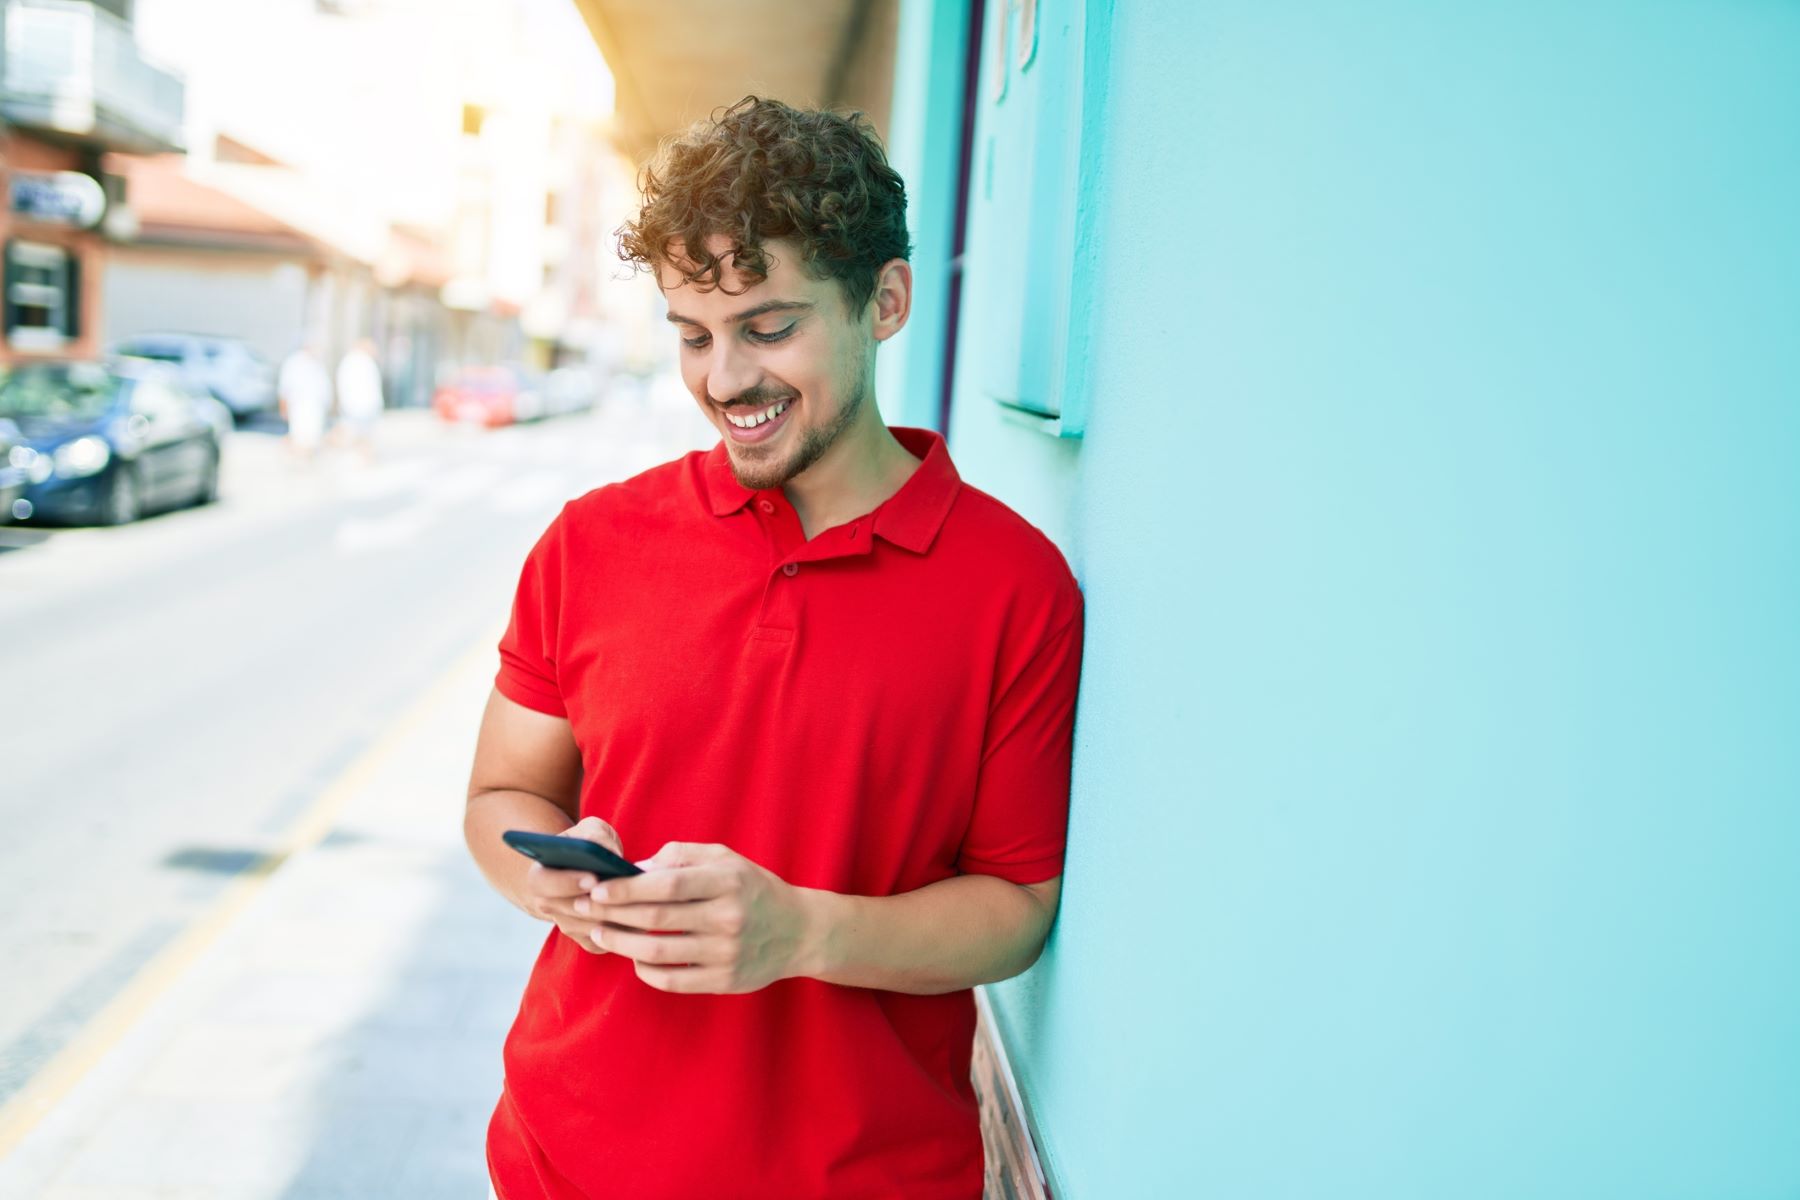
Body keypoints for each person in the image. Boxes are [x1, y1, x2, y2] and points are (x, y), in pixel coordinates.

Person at [464, 96, 1084, 1200]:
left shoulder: (1017, 587)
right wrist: (552, 878)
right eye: (693, 335)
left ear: (884, 301)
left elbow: (1014, 912)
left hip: (863, 1177)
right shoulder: (590, 542)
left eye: (768, 326)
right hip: (566, 1159)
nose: (724, 380)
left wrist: (800, 932)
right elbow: (504, 794)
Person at [277, 338, 331, 460]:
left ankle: (305, 460)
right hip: (299, 404)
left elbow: (323, 387)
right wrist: (284, 407)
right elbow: (285, 388)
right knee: (300, 435)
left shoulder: (316, 363)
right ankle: (297, 458)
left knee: (311, 437)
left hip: (314, 406)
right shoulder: (294, 363)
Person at [334, 336, 384, 462]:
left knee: (359, 434)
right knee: (358, 434)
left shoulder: (357, 361)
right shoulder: (358, 361)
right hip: (360, 405)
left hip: (360, 405)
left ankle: (365, 457)